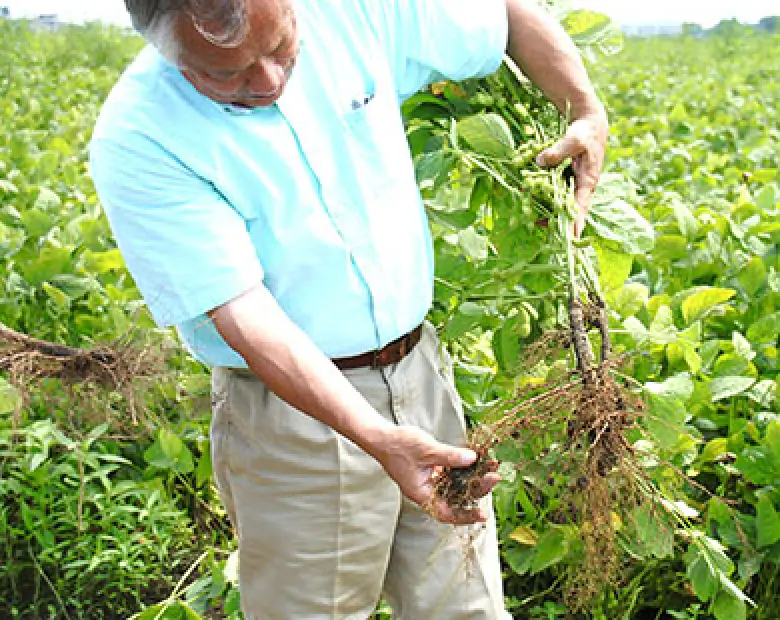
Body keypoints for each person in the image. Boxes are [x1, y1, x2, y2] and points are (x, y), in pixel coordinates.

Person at [89, 0, 607, 617]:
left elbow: (505, 14)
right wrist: (374, 436)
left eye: (281, 48)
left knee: (464, 604)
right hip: (289, 415)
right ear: (163, 49)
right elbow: (247, 319)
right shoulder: (140, 137)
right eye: (225, 75)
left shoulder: (350, 11)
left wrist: (584, 105)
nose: (269, 83)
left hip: (420, 374)